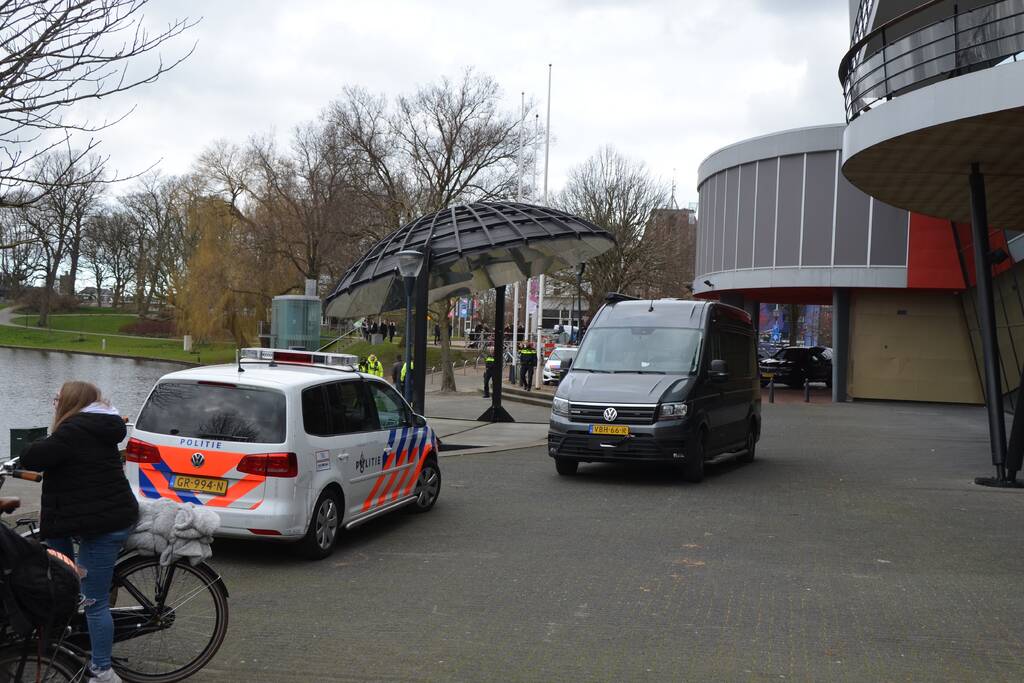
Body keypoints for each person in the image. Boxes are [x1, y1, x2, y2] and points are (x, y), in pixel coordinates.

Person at [20, 381, 138, 683]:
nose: (55, 403)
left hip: (102, 526)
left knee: (93, 601)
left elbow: (34, 456)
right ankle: (66, 641)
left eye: (58, 398)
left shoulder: (74, 430)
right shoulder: (98, 425)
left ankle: (103, 671)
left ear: (71, 401)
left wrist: (21, 455)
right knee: (63, 575)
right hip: (88, 518)